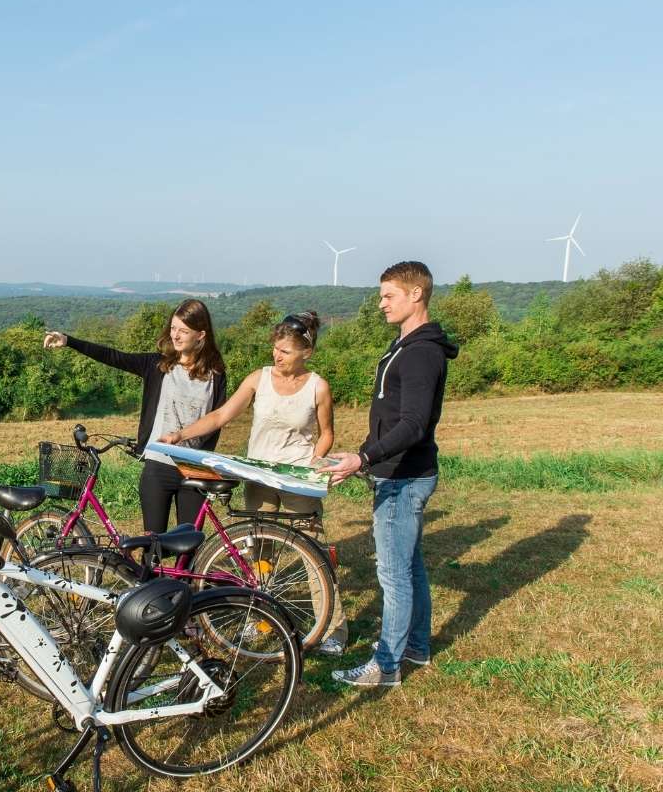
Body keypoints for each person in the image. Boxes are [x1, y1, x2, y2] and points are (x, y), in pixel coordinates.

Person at [158, 311, 348, 653]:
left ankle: (332, 629)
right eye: (275, 349)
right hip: (258, 477)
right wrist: (181, 435)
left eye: (285, 352)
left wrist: (316, 462)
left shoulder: (318, 387)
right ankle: (259, 620)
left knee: (312, 551)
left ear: (307, 352)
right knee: (258, 552)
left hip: (294, 479)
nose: (277, 357)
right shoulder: (258, 378)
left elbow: (326, 433)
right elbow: (220, 416)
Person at [320, 261, 458, 687]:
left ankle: (386, 666)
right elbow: (390, 415)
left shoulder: (420, 352)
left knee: (394, 575)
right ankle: (416, 646)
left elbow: (413, 424)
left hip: (404, 476)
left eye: (388, 295)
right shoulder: (404, 344)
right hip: (397, 471)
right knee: (410, 565)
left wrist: (363, 458)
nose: (381, 303)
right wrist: (365, 455)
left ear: (416, 294)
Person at [43, 299, 226, 533]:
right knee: (152, 543)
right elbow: (113, 356)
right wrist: (69, 341)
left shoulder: (216, 374)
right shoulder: (158, 365)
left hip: (195, 467)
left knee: (190, 545)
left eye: (183, 330)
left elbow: (218, 418)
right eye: (173, 328)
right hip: (159, 463)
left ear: (201, 335)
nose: (175, 336)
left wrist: (205, 459)